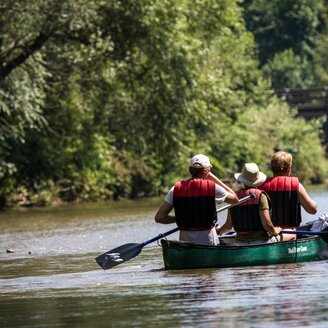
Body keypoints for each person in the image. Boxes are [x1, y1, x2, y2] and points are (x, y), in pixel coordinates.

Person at [154, 154, 239, 245]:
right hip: (209, 242)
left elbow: (160, 218)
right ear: (207, 170)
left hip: (185, 244)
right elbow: (235, 199)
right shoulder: (212, 187)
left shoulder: (175, 189)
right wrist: (214, 178)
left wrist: (182, 218)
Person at [258, 151, 317, 241]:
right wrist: (314, 204)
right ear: (289, 169)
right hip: (289, 234)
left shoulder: (261, 186)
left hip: (266, 233)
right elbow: (312, 210)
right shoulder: (296, 185)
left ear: (272, 169)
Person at [218, 163, 282, 244]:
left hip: (239, 242)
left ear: (242, 180)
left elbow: (228, 226)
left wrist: (217, 231)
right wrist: (276, 231)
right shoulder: (261, 196)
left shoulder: (234, 197)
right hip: (261, 242)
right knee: (291, 235)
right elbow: (267, 225)